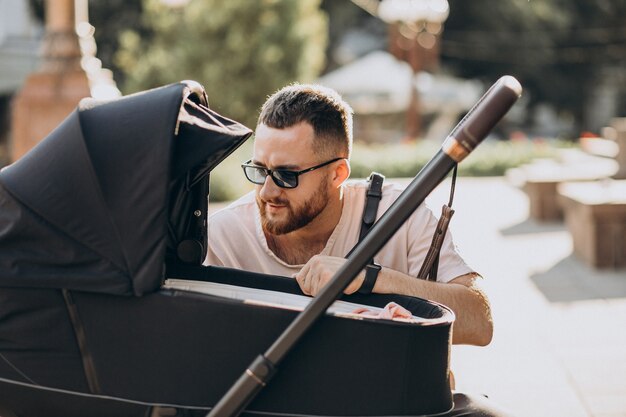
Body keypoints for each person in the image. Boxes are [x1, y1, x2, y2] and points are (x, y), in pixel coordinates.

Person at [205, 84, 513, 416]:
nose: (267, 191)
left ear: (337, 173)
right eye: (260, 170)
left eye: (286, 175)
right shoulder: (222, 237)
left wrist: (370, 280)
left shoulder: (401, 215)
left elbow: (480, 323)